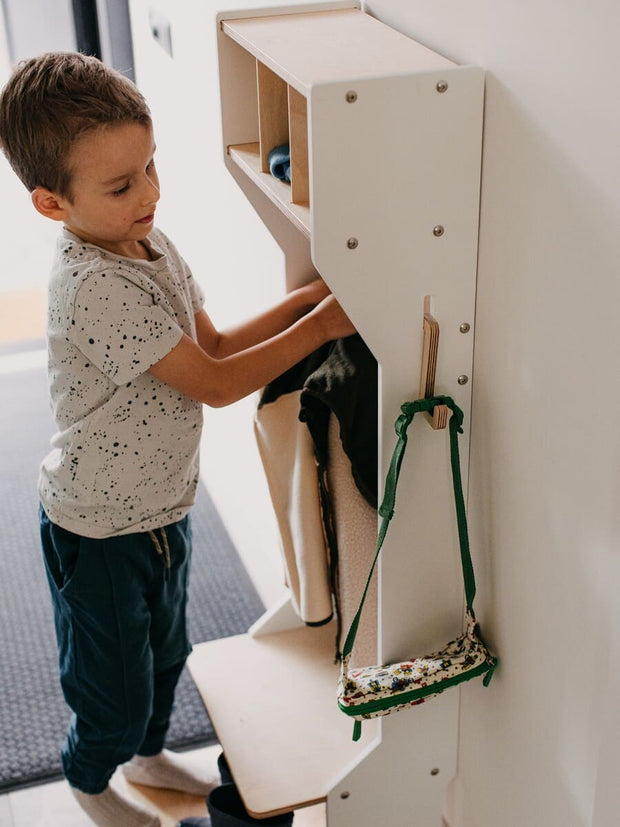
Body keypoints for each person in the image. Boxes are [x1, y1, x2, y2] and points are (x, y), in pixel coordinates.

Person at [0, 52, 355, 827]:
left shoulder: (150, 244)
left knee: (164, 657)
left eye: (151, 166)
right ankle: (90, 776)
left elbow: (218, 341)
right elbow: (218, 383)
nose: (152, 192)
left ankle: (146, 751)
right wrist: (323, 322)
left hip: (161, 506)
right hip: (97, 527)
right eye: (123, 185)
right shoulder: (92, 285)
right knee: (111, 684)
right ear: (51, 204)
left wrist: (307, 300)